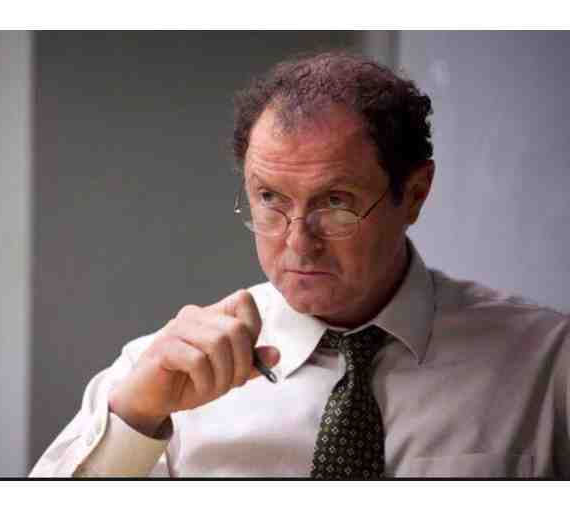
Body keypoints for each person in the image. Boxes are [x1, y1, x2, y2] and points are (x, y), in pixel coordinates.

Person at [30, 50, 570, 478]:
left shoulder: (548, 367)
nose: (297, 243)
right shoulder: (160, 375)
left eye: (335, 202)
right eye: (270, 198)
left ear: (414, 194)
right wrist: (135, 419)